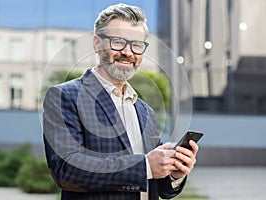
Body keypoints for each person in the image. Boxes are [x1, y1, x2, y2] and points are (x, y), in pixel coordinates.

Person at [43, 3, 199, 200]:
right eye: (117, 42)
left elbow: (159, 186)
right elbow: (66, 170)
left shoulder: (145, 111)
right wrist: (144, 167)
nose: (128, 52)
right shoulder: (64, 96)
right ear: (97, 44)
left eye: (137, 45)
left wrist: (174, 173)